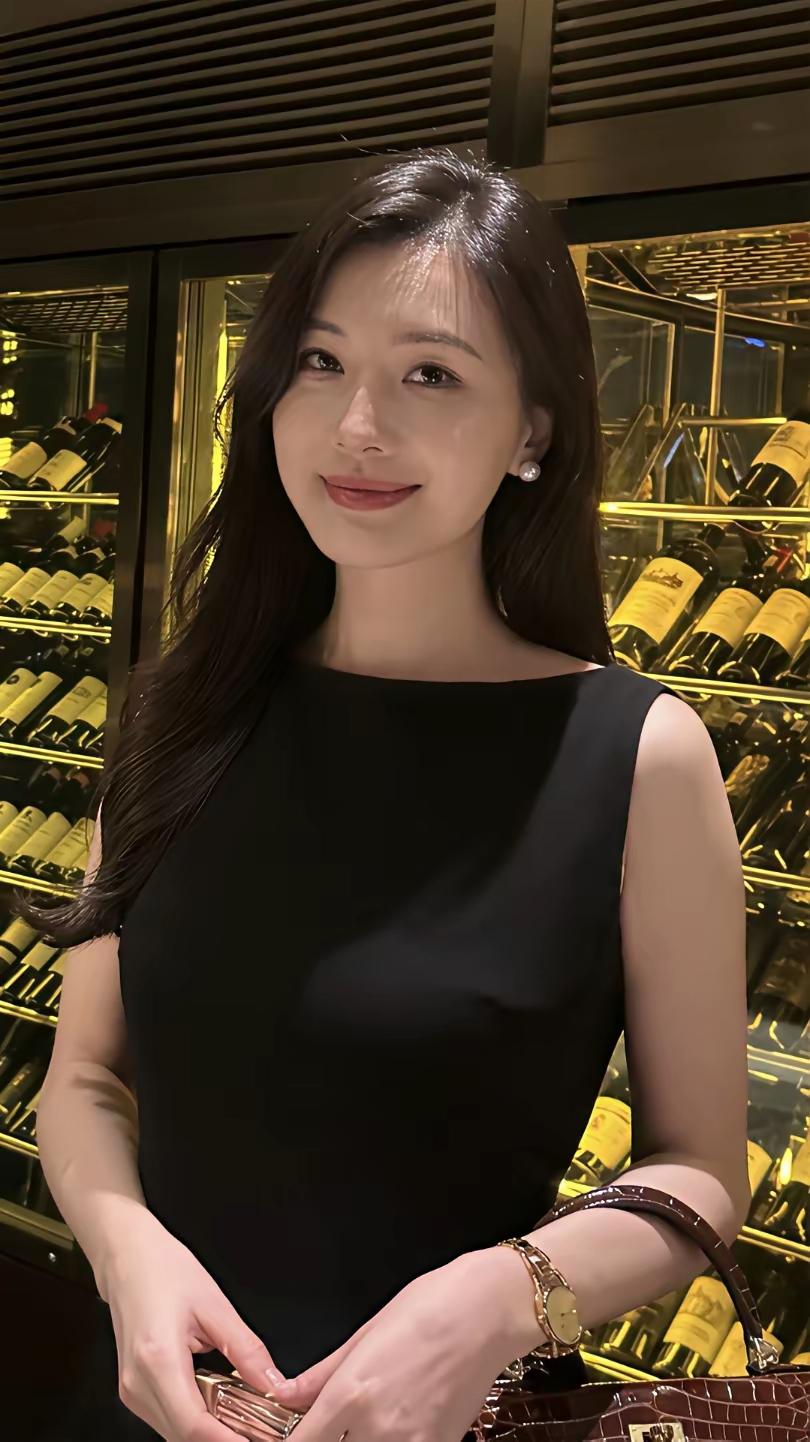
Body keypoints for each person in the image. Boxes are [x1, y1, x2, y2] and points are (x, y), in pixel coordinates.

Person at [25, 147, 750, 1442]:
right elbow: (86, 1073)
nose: (357, 425)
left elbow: (699, 1170)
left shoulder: (642, 756)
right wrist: (126, 1249)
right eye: (319, 361)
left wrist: (507, 1296)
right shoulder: (178, 710)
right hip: (146, 1408)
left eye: (430, 374)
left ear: (532, 430)